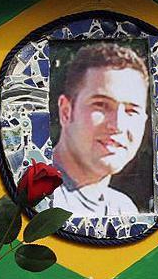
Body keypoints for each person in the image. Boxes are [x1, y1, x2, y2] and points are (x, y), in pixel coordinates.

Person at [51, 43, 150, 216]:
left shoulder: (123, 209)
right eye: (101, 105)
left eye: (131, 110)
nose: (118, 125)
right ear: (66, 112)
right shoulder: (37, 200)